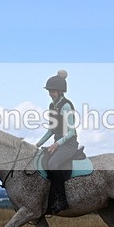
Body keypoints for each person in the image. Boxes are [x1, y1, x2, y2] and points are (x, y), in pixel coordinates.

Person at [35, 70, 78, 214]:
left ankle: (63, 200)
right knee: (40, 161)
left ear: (60, 91)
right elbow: (51, 130)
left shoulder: (66, 106)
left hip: (69, 144)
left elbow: (72, 131)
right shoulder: (52, 106)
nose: (50, 94)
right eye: (49, 91)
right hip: (57, 144)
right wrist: (37, 145)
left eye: (52, 91)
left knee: (53, 164)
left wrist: (57, 144)